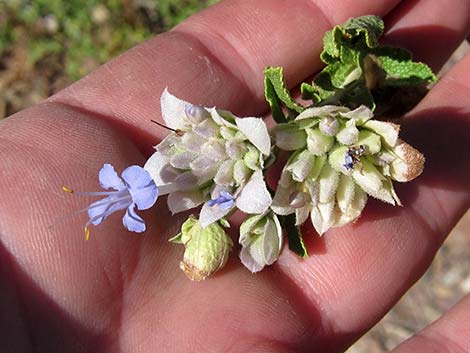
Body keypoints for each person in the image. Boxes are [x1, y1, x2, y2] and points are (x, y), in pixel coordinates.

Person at [0, 0, 469, 352]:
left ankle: (361, 72)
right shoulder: (196, 190)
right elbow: (233, 188)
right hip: (253, 166)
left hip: (268, 150)